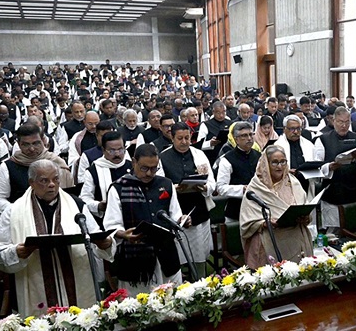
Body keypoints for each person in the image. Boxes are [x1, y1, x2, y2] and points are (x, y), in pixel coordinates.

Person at [0, 159, 115, 316]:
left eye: (56, 179)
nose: (52, 184)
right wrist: (17, 252)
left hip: (78, 284)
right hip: (36, 286)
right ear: (31, 183)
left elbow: (94, 237)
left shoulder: (77, 205)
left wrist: (105, 243)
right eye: (44, 181)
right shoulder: (13, 212)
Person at [103, 144, 187, 295]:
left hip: (166, 255)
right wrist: (124, 234)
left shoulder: (166, 184)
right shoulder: (119, 188)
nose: (149, 173)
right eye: (144, 168)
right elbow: (111, 224)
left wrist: (182, 220)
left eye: (154, 168)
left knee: (173, 303)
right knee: (138, 306)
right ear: (134, 162)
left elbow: (175, 214)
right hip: (135, 259)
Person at [158, 123, 216, 280]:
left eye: (187, 138)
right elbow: (159, 186)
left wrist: (204, 187)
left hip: (198, 208)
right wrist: (175, 188)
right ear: (172, 137)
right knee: (177, 255)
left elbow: (212, 181)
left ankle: (201, 282)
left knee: (200, 254)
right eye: (180, 138)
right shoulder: (163, 157)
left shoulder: (199, 154)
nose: (184, 142)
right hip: (175, 210)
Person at [240, 145, 313, 269]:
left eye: (283, 162)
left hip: (296, 238)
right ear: (266, 164)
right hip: (270, 239)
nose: (280, 166)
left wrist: (306, 218)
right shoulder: (256, 187)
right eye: (275, 162)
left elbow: (305, 206)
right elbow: (247, 222)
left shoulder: (293, 182)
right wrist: (265, 223)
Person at [0, 124, 74, 221]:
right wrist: (19, 210)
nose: (31, 149)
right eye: (26, 144)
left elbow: (70, 195)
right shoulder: (7, 167)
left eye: (36, 143)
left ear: (43, 141)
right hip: (21, 220)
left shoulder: (57, 163)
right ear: (18, 144)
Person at [314, 107, 356, 230]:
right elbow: (316, 166)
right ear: (333, 121)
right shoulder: (322, 139)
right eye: (340, 122)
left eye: (347, 122)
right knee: (333, 232)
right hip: (332, 192)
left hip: (353, 190)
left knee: (354, 229)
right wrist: (329, 167)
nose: (344, 125)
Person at [80, 131, 132, 227]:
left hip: (131, 218)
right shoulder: (93, 171)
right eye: (111, 151)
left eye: (120, 150)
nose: (117, 154)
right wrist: (99, 206)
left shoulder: (132, 167)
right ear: (103, 150)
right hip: (104, 222)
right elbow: (84, 198)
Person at [216, 122, 262, 221]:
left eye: (251, 134)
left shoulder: (259, 156)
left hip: (258, 208)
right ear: (236, 139)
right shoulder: (227, 159)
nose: (249, 138)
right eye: (244, 136)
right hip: (236, 210)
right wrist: (242, 189)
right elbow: (221, 188)